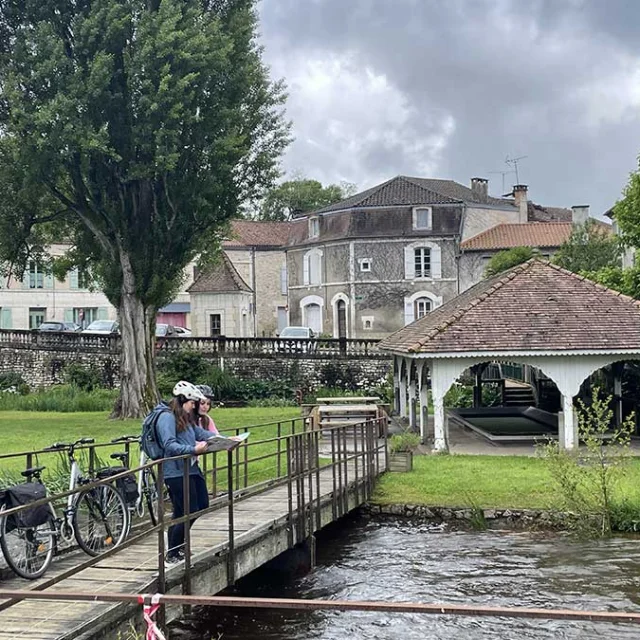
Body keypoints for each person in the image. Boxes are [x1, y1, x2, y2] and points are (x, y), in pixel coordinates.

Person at [155, 380, 211, 563]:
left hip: (191, 468)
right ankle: (172, 552)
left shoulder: (185, 418)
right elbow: (169, 445)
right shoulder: (167, 418)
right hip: (176, 471)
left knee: (201, 504)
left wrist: (228, 440)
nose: (194, 407)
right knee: (186, 510)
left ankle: (177, 547)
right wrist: (193, 450)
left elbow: (201, 434)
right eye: (191, 403)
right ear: (182, 400)